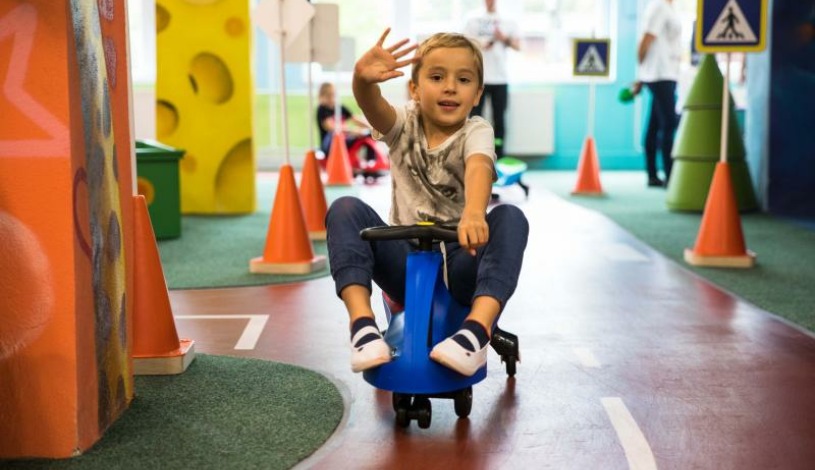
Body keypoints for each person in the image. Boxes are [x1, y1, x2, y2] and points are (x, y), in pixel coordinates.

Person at [325, 29, 529, 377]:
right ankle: (362, 326)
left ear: (478, 93)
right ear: (415, 89)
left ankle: (476, 331)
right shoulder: (403, 123)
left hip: (461, 256)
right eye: (437, 77)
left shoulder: (476, 131)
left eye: (463, 80)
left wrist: (474, 215)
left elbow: (479, 165)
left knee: (511, 216)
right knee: (344, 208)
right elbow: (373, 107)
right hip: (403, 260)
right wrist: (361, 82)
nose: (450, 87)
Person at [632, 0, 682, 187]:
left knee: (654, 125)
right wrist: (641, 75)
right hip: (659, 74)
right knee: (669, 123)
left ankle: (653, 175)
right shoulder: (658, 6)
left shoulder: (669, 7)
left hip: (668, 72)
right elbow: (645, 41)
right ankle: (670, 175)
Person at [463, 0, 520, 159]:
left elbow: (518, 46)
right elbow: (463, 44)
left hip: (500, 79)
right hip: (478, 79)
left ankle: (499, 156)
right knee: (475, 119)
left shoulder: (508, 20)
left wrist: (503, 38)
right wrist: (479, 45)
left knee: (499, 120)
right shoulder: (473, 20)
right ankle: (474, 153)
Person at [316, 82, 371, 158]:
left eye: (333, 95)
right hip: (329, 145)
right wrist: (353, 131)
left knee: (368, 135)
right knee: (335, 135)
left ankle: (369, 161)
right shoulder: (322, 110)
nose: (331, 98)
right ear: (321, 96)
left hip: (344, 138)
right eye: (328, 96)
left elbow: (355, 119)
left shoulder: (340, 108)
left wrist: (370, 128)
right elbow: (332, 127)